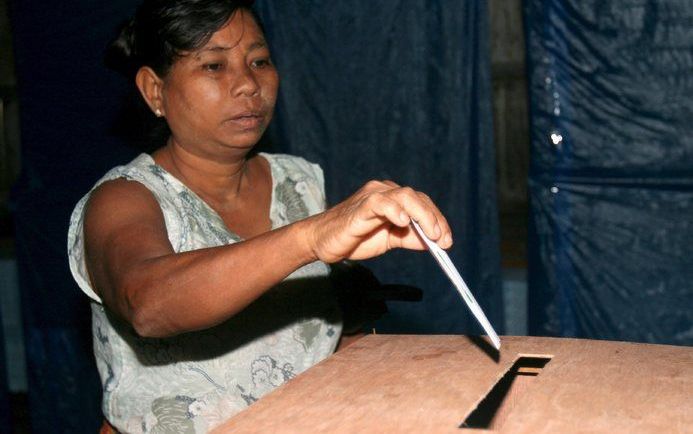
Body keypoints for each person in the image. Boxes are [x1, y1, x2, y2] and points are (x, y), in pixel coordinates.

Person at [67, 1, 452, 432]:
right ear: (155, 91)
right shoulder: (123, 200)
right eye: (214, 66)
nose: (248, 84)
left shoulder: (299, 181)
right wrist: (311, 239)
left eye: (259, 61)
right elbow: (149, 304)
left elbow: (337, 339)